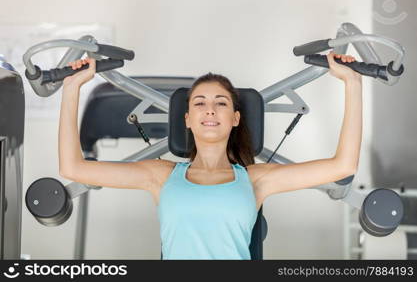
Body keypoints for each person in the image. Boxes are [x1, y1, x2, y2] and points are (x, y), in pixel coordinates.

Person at [58, 52, 362, 260]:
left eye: (221, 103)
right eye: (200, 103)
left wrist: (353, 83)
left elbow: (343, 165)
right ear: (188, 118)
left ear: (235, 118)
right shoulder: (160, 176)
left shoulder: (256, 180)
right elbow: (73, 168)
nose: (210, 109)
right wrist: (71, 89)